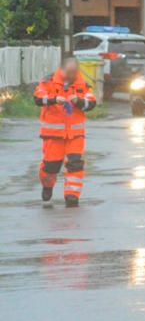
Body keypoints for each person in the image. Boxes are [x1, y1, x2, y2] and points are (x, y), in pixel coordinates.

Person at [33, 56, 97, 207]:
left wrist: (79, 101)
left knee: (75, 164)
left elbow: (92, 103)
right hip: (53, 136)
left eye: (74, 72)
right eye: (69, 72)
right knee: (50, 168)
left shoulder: (82, 85)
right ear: (62, 69)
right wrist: (54, 99)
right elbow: (37, 98)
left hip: (75, 136)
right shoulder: (48, 82)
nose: (72, 75)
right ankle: (47, 186)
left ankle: (72, 195)